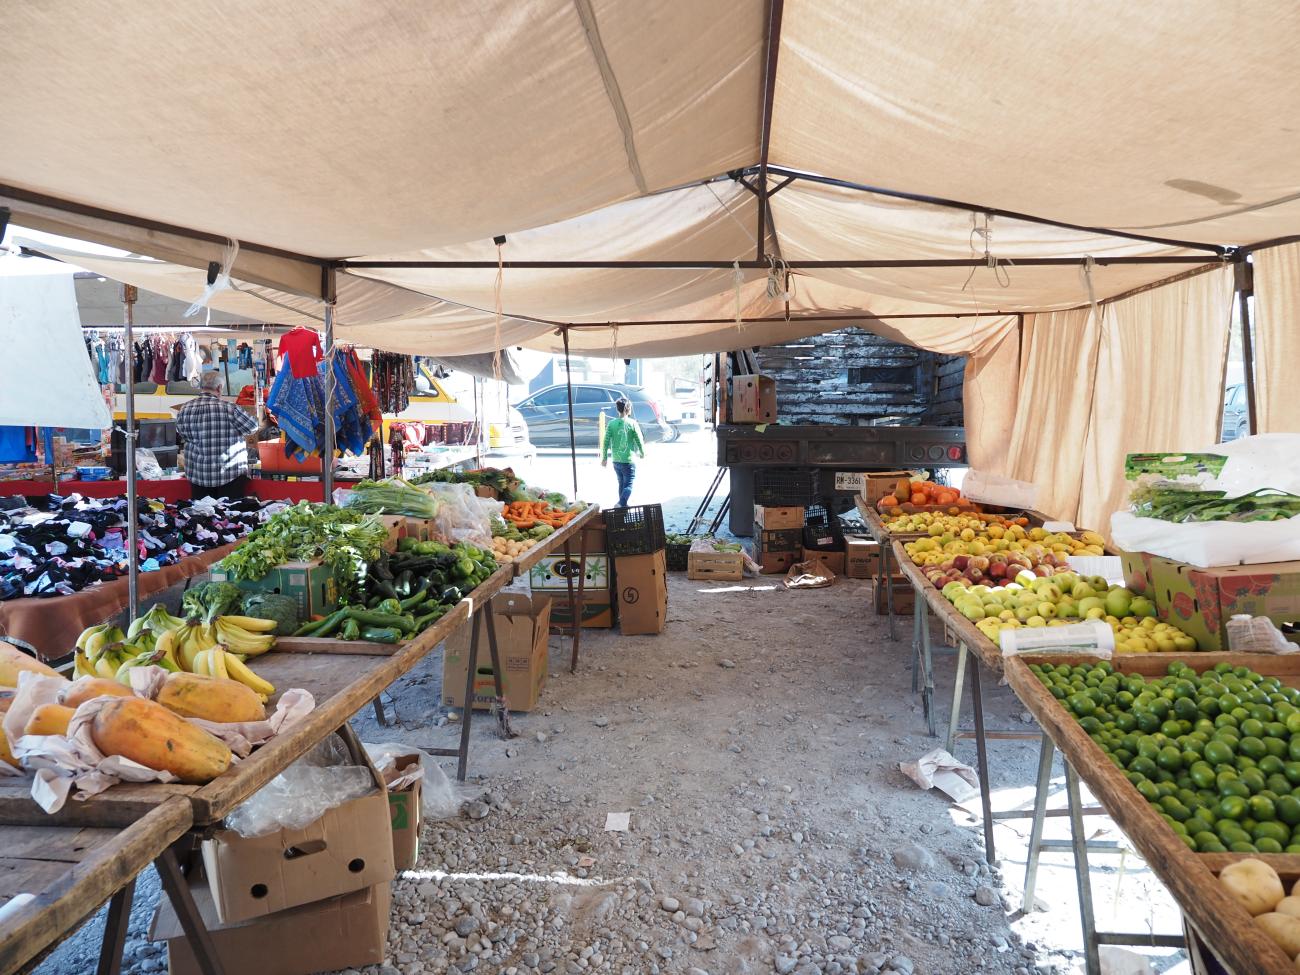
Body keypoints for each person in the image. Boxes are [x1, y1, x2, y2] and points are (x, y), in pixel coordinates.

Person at [175, 371, 261, 499]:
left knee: (203, 514)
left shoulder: (185, 408)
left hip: (198, 474)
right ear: (219, 388)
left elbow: (181, 433)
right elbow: (253, 427)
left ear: (201, 386)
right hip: (230, 474)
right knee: (230, 515)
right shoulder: (230, 409)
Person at [601, 397, 645, 507]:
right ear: (629, 409)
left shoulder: (611, 424)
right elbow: (639, 439)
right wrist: (642, 452)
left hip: (616, 461)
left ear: (617, 409)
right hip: (628, 461)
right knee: (628, 485)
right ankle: (621, 503)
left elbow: (605, 442)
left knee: (621, 483)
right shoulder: (632, 423)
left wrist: (605, 458)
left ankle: (622, 508)